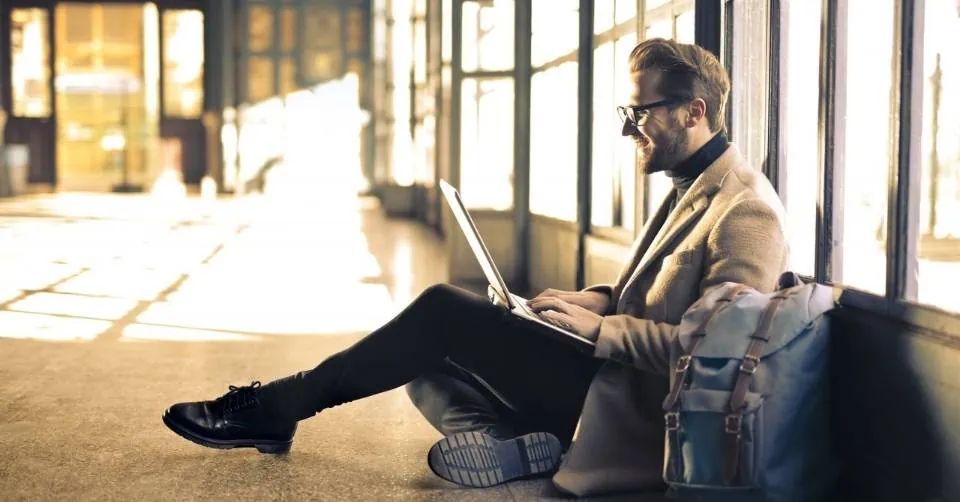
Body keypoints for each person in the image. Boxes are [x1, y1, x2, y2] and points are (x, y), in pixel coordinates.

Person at [162, 38, 788, 497]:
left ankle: (277, 407)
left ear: (694, 111)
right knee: (417, 362)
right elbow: (661, 292)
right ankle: (512, 443)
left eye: (640, 113)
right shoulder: (691, 183)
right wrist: (597, 299)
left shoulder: (745, 210)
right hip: (603, 375)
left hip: (629, 407)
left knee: (440, 312)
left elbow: (718, 357)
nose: (630, 130)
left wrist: (600, 330)